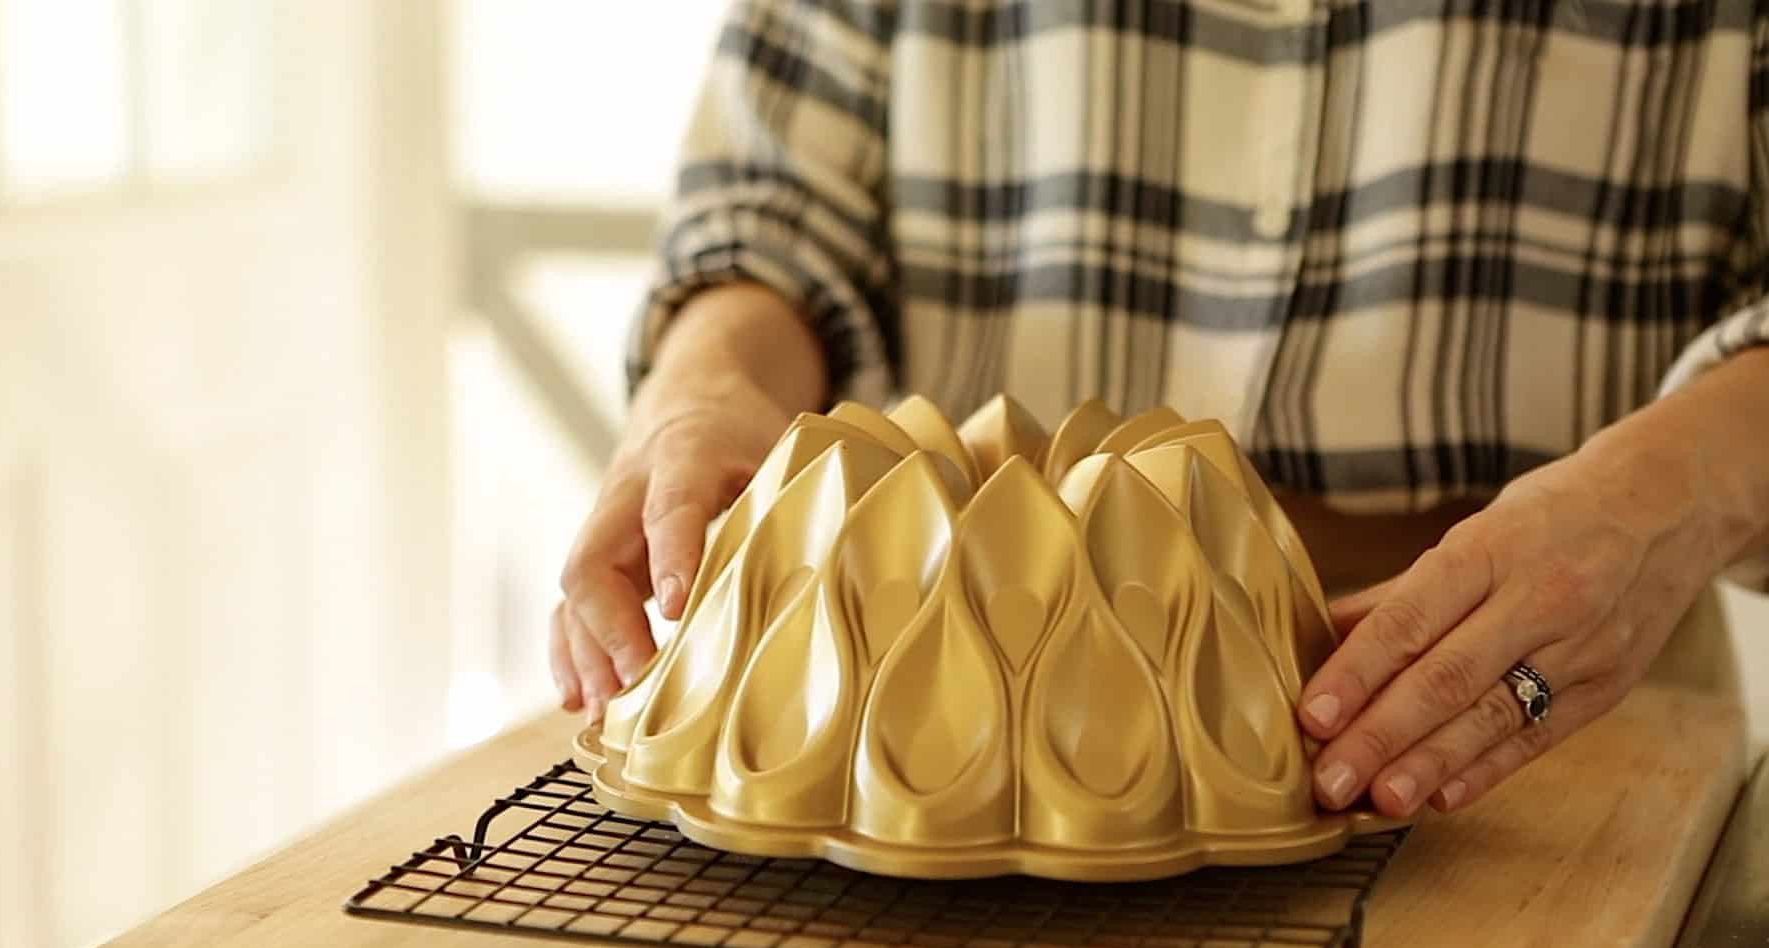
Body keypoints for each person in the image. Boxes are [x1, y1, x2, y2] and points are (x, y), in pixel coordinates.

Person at [551, 0, 1769, 821]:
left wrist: (1680, 485)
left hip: (1538, 700)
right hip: (908, 697)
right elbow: (776, 202)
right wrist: (703, 384)